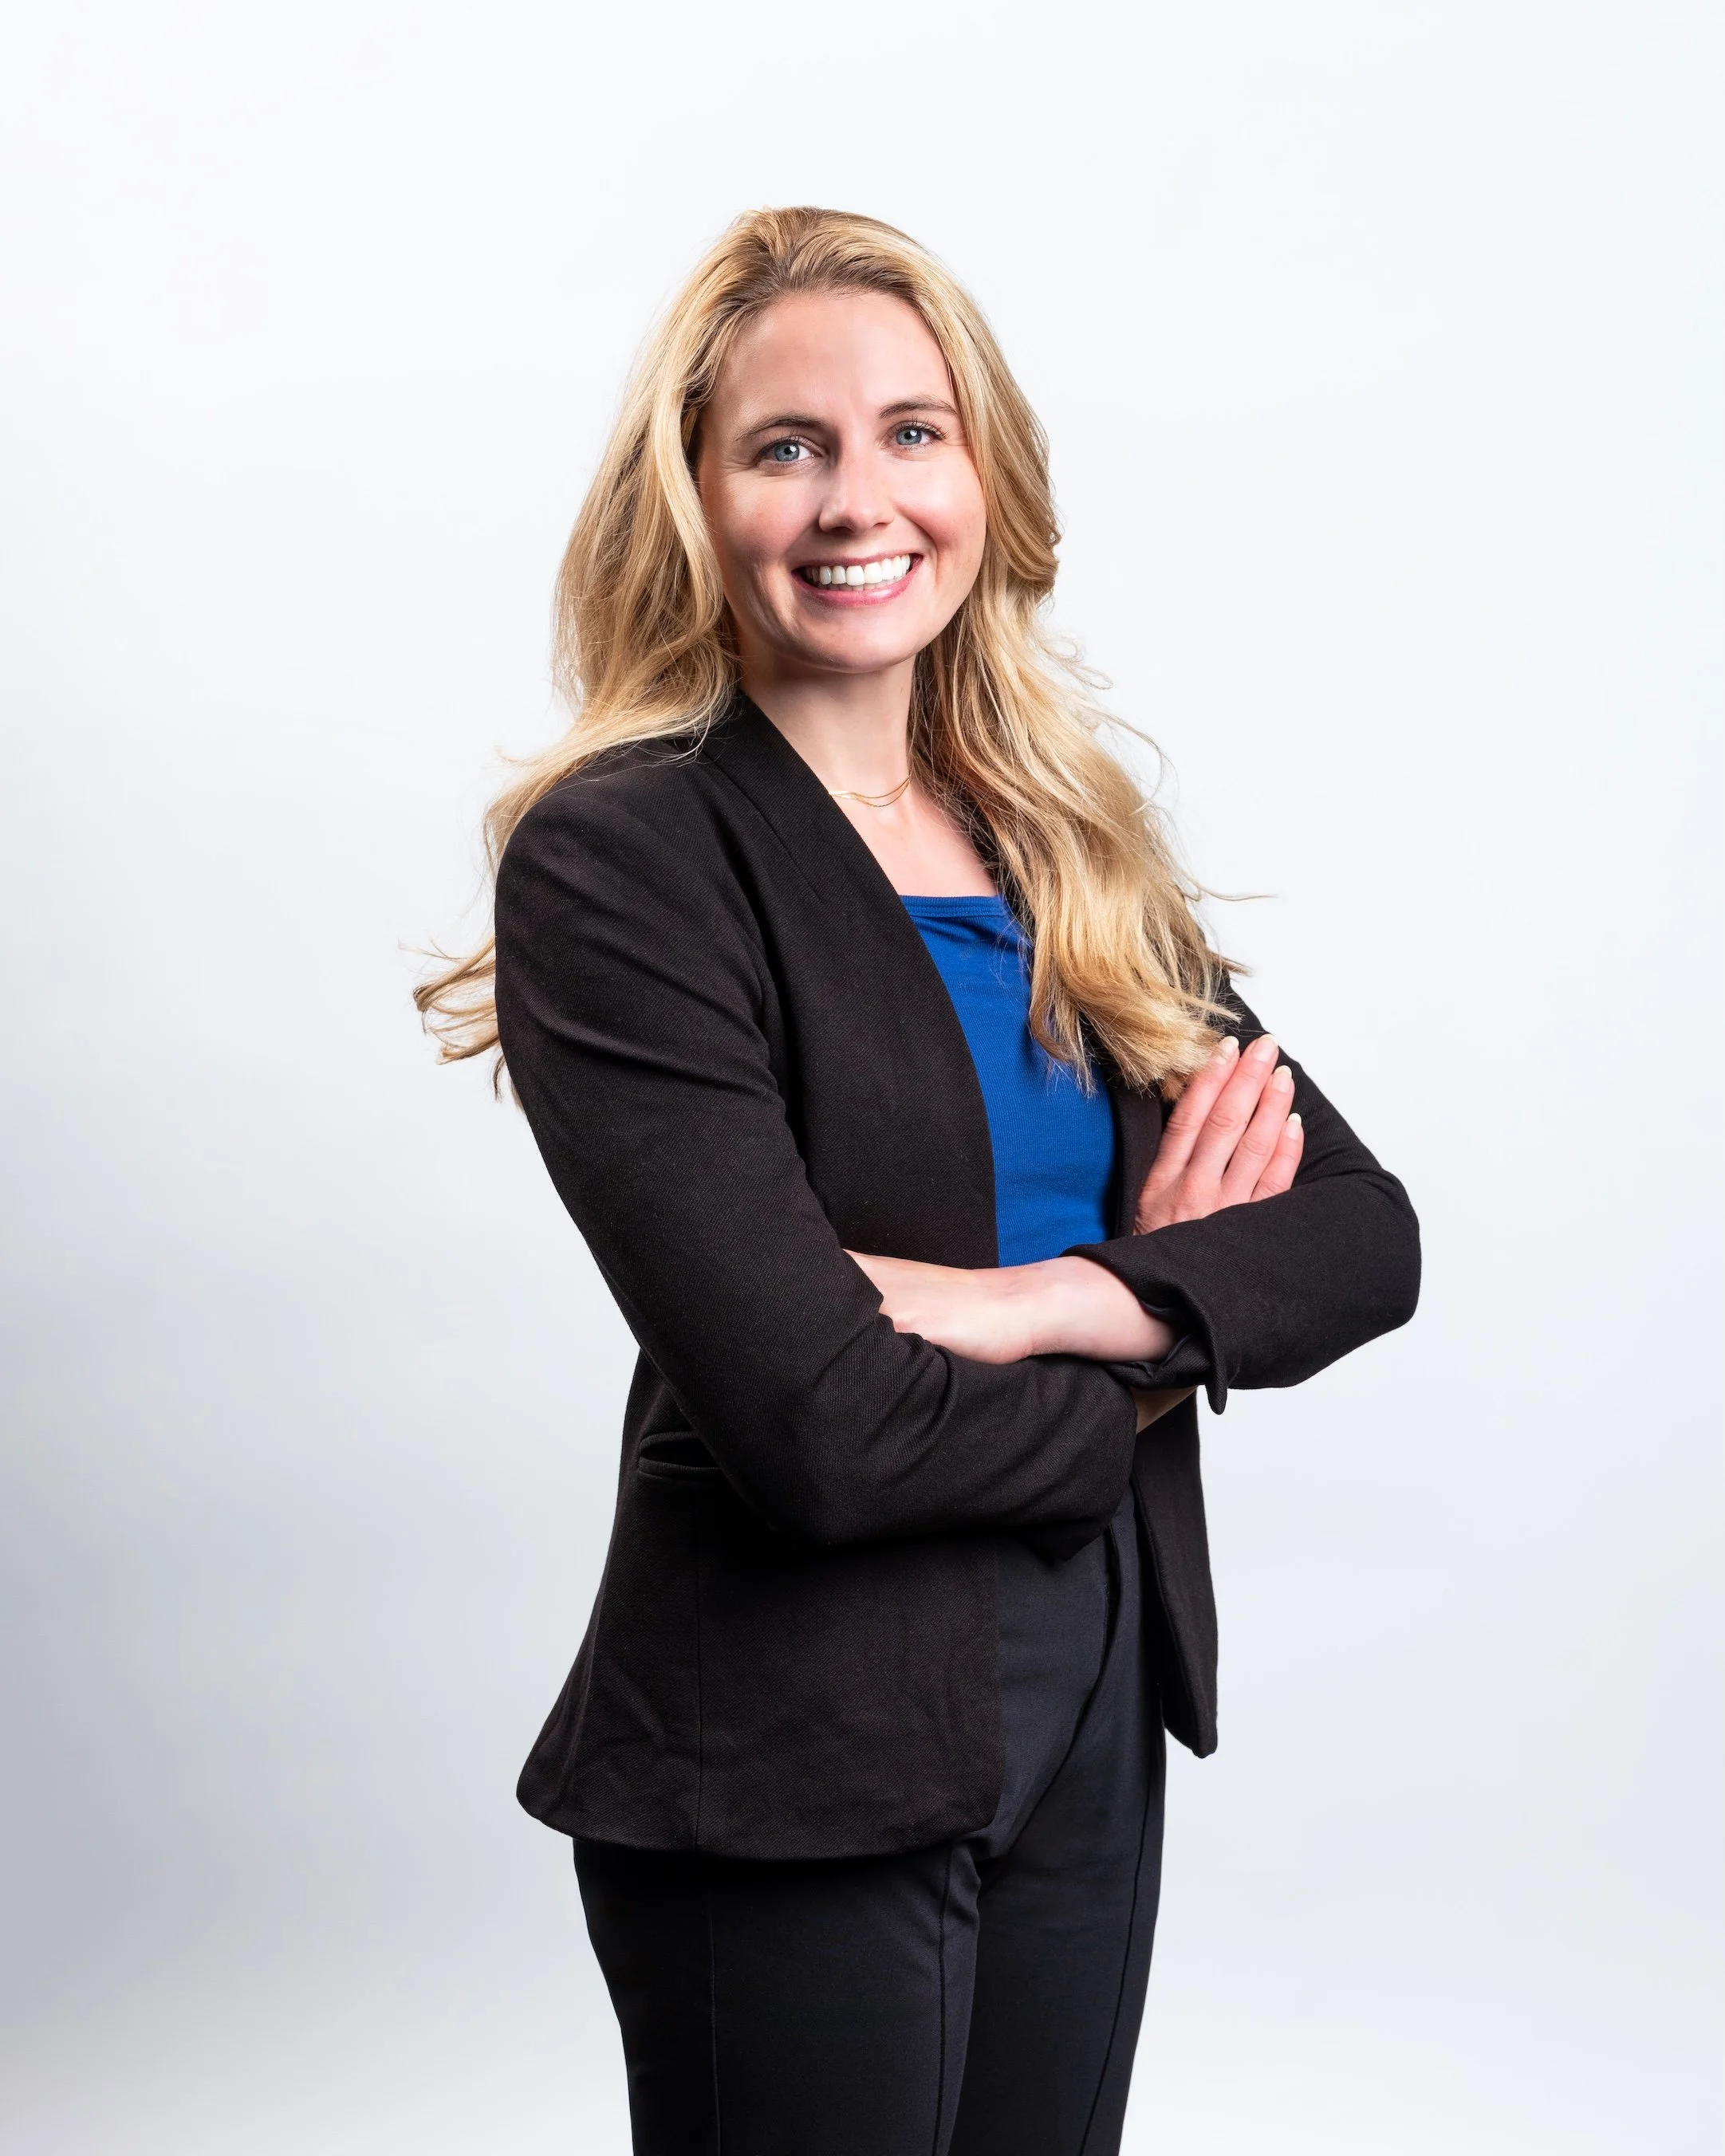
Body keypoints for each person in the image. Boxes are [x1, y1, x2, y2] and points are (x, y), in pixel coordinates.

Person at [417, 206, 1420, 2156]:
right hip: (797, 1722)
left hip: (1087, 1686)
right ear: (693, 501)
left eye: (908, 432)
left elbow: (1358, 1231)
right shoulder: (625, 858)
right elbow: (821, 1423)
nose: (851, 497)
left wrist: (1048, 1295)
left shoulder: (1059, 847)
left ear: (985, 476)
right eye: (781, 445)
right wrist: (1156, 1344)